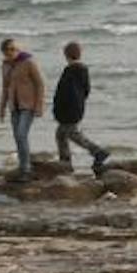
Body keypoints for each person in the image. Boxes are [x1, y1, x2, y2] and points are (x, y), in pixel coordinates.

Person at [51, 40, 109, 175]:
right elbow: (86, 90)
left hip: (69, 110)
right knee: (61, 134)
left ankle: (98, 151)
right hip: (76, 108)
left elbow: (64, 93)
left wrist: (59, 109)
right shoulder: (82, 71)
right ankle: (65, 162)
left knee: (72, 134)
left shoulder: (71, 71)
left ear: (66, 55)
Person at [0, 37, 45, 182]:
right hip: (14, 106)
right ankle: (24, 167)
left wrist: (39, 106)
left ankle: (26, 169)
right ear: (4, 52)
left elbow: (40, 84)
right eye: (9, 50)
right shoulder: (5, 66)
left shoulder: (29, 62)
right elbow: (5, 88)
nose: (13, 52)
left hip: (28, 105)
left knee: (21, 134)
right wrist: (2, 109)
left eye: (14, 48)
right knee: (18, 137)